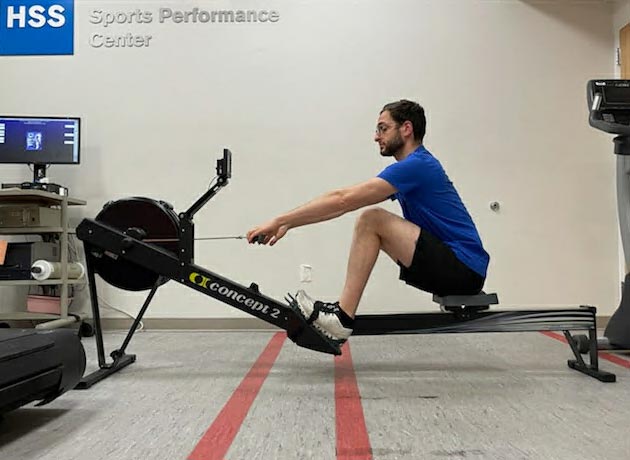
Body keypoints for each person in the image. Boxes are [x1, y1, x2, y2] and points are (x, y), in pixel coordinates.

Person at [246, 100, 490, 346]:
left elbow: (343, 200)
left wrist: (280, 219)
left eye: (383, 128)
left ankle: (341, 318)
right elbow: (341, 204)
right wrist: (289, 224)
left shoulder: (418, 165)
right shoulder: (413, 168)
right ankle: (342, 314)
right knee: (371, 221)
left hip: (464, 268)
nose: (376, 137)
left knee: (372, 219)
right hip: (456, 267)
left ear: (406, 129)